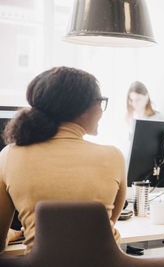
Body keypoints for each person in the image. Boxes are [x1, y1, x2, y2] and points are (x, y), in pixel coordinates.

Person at [0, 66, 126, 254]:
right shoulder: (113, 157)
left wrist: (15, 234)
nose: (101, 111)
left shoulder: (9, 155)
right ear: (84, 109)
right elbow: (102, 230)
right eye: (100, 102)